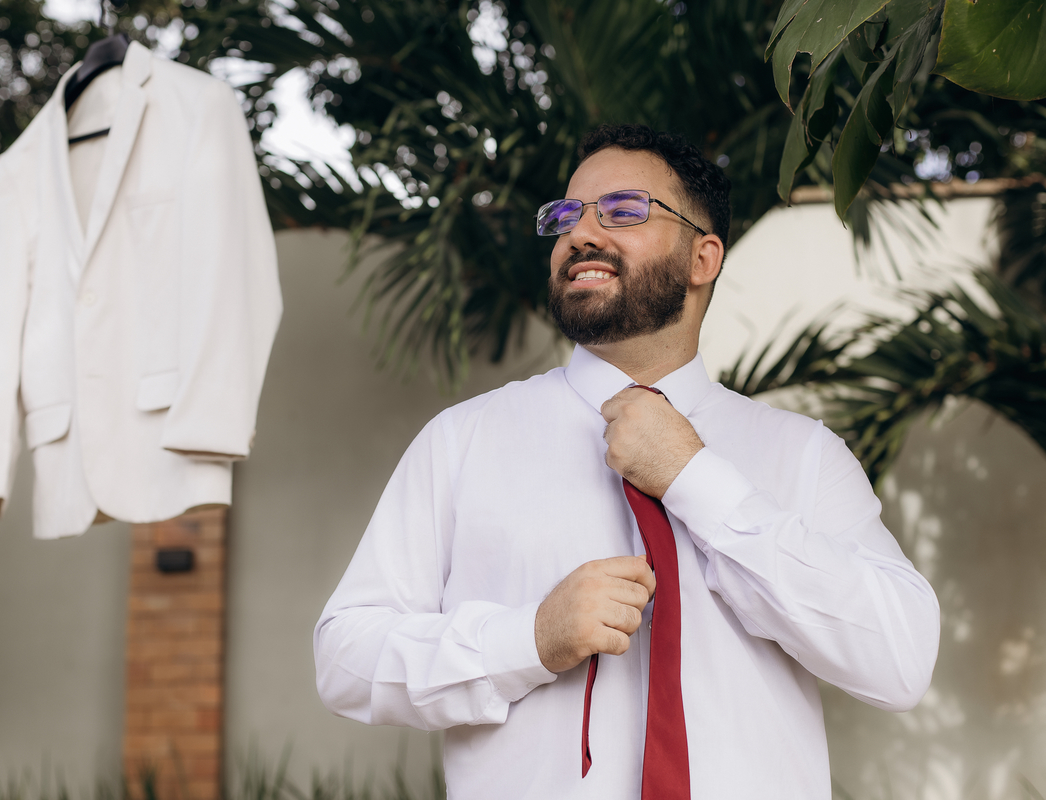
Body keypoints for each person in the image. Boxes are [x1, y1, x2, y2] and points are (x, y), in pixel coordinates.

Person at [314, 124, 940, 800]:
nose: (580, 234)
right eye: (566, 216)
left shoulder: (803, 453)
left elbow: (899, 661)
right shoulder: (462, 441)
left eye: (622, 210)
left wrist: (696, 480)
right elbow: (346, 660)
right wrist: (528, 640)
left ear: (702, 258)